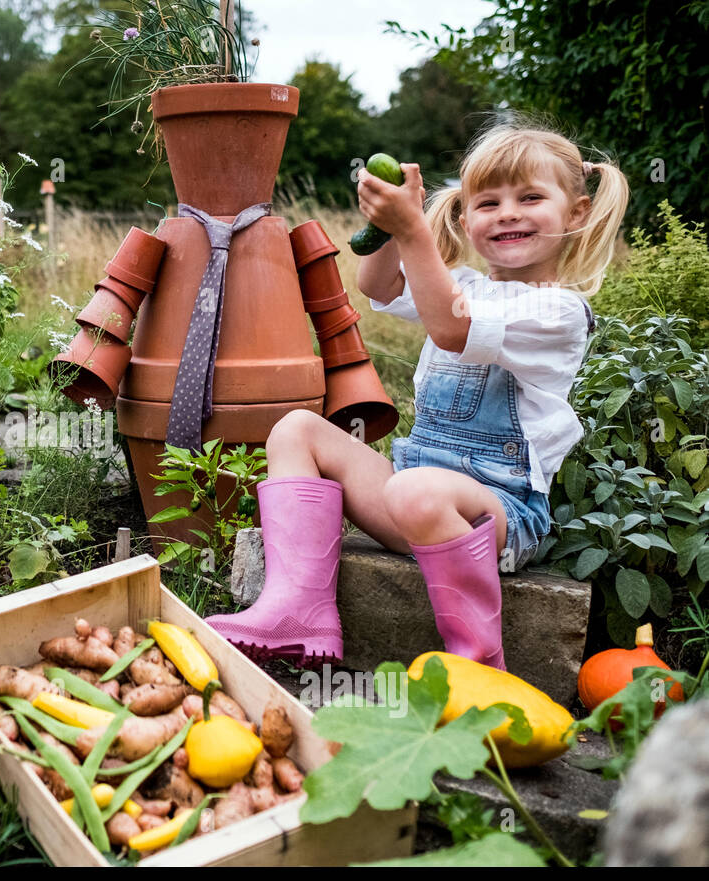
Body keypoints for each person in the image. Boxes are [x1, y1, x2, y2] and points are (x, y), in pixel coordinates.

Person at [205, 116, 630, 671]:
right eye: (487, 202)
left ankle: (478, 665)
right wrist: (387, 225)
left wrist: (413, 233)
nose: (506, 213)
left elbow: (454, 329)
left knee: (417, 493)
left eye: (530, 197)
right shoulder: (465, 286)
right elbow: (379, 286)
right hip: (407, 498)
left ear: (575, 213)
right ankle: (298, 612)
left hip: (493, 519)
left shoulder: (559, 312)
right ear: (465, 214)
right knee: (296, 430)